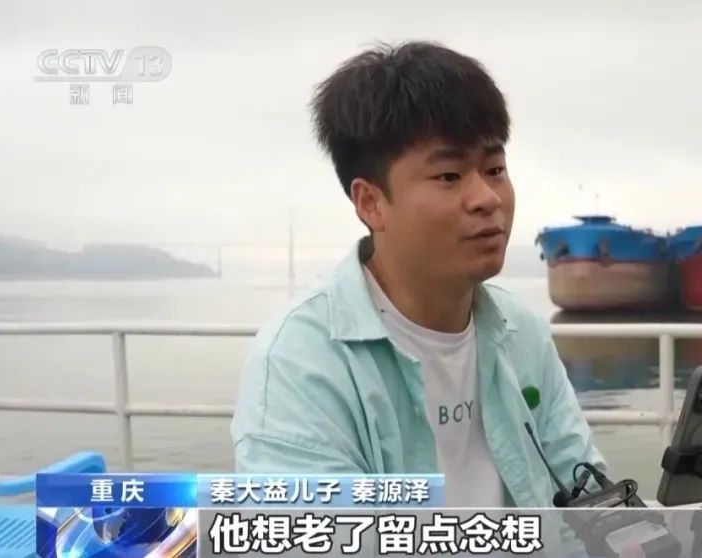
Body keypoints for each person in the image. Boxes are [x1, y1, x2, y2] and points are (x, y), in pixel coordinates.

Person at [230, 41, 607, 508]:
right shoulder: (301, 364)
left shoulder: (521, 332)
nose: (487, 198)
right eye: (449, 176)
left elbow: (588, 489)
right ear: (371, 203)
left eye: (494, 169)